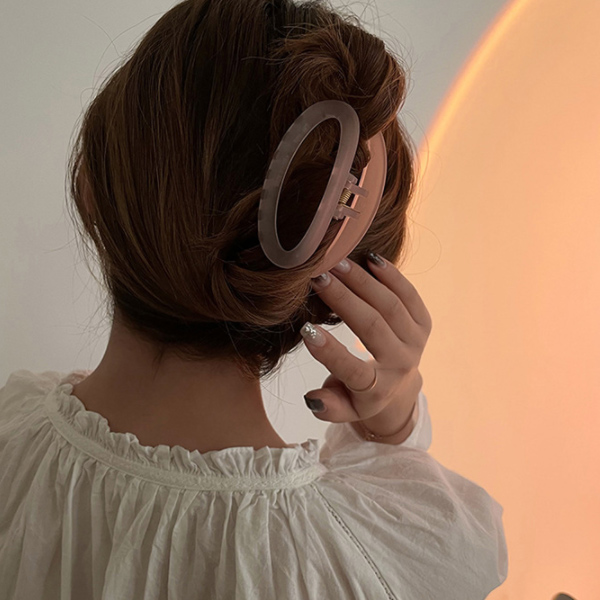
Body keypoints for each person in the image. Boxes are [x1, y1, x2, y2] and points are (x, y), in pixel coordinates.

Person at [0, 0, 508, 598]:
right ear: (329, 294)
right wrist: (391, 427)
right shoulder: (379, 559)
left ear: (92, 186)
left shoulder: (10, 437)